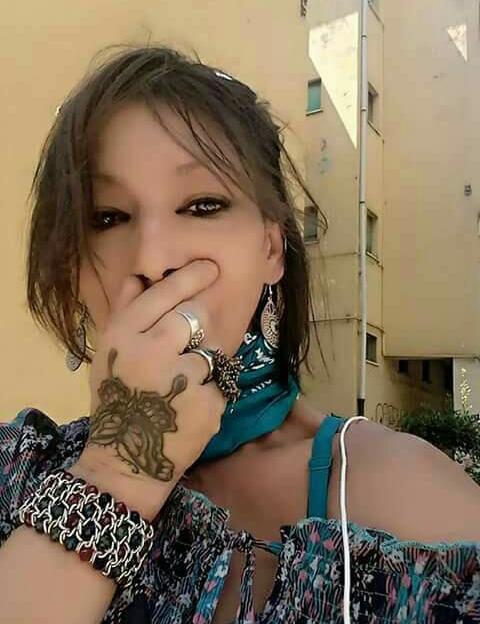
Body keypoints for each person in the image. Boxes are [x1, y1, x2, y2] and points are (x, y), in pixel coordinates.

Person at [1, 44, 479, 624]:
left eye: (202, 205)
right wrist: (118, 470)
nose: (154, 259)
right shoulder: (16, 473)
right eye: (108, 217)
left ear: (271, 249)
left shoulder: (407, 500)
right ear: (73, 267)